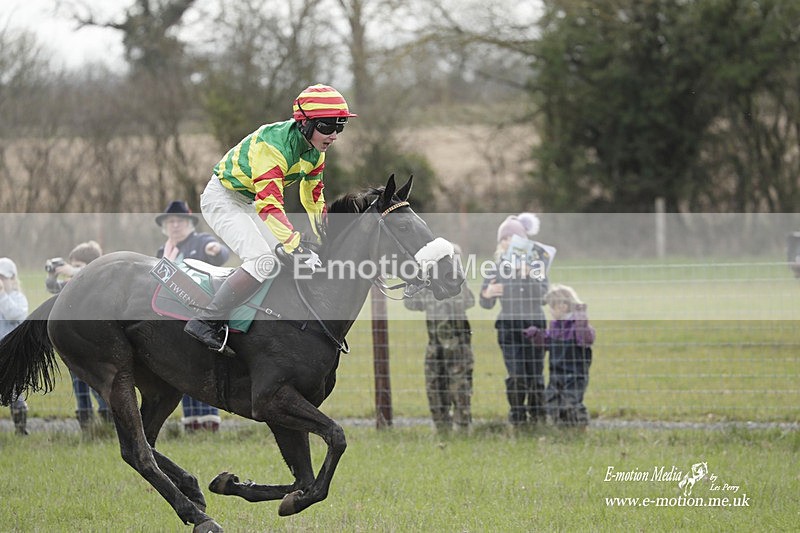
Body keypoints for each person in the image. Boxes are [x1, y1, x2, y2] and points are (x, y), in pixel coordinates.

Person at [184, 83, 357, 355]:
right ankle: (206, 320)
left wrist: (326, 236)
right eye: (327, 127)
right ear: (305, 124)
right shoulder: (273, 146)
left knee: (282, 258)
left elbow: (313, 198)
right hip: (223, 199)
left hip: (251, 201)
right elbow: (269, 204)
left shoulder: (316, 151)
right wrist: (295, 245)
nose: (334, 135)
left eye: (340, 127)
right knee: (262, 261)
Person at [155, 200, 231, 432]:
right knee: (182, 370)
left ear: (189, 224)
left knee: (202, 368)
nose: (175, 225)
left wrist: (216, 250)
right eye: (171, 222)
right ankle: (191, 423)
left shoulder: (200, 242)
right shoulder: (162, 252)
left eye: (179, 221)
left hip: (200, 316)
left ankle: (210, 422)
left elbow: (220, 253)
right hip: (174, 318)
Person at [480, 216, 550, 426]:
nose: (508, 242)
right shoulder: (496, 268)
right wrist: (488, 293)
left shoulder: (536, 267)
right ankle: (517, 417)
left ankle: (538, 417)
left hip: (535, 326)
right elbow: (485, 303)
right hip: (508, 329)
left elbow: (543, 297)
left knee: (535, 374)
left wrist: (529, 275)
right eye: (504, 239)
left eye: (513, 238)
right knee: (516, 375)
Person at [404, 244, 475, 433]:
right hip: (435, 345)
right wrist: (413, 281)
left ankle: (462, 426)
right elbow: (411, 303)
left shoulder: (458, 284)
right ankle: (441, 426)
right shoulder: (429, 285)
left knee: (460, 386)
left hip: (458, 345)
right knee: (434, 385)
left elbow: (467, 301)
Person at [45, 240, 113, 431]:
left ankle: (108, 416)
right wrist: (52, 274)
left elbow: (90, 275)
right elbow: (52, 287)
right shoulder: (71, 284)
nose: (72, 269)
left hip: (94, 345)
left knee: (97, 383)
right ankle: (85, 418)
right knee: (78, 384)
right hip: (74, 345)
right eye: (72, 265)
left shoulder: (97, 283)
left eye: (78, 266)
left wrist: (72, 270)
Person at [524, 284, 595, 427]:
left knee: (571, 402)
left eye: (552, 307)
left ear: (562, 306)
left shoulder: (578, 325)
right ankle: (562, 428)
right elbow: (547, 342)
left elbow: (586, 339)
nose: (550, 311)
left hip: (575, 375)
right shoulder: (555, 326)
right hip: (556, 373)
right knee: (552, 401)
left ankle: (580, 426)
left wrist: (581, 319)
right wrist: (536, 335)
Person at [0, 258, 29, 435]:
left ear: (12, 279)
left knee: (14, 391)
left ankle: (20, 428)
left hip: (11, 353)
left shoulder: (18, 299)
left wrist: (2, 295)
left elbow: (14, 315)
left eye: (3, 278)